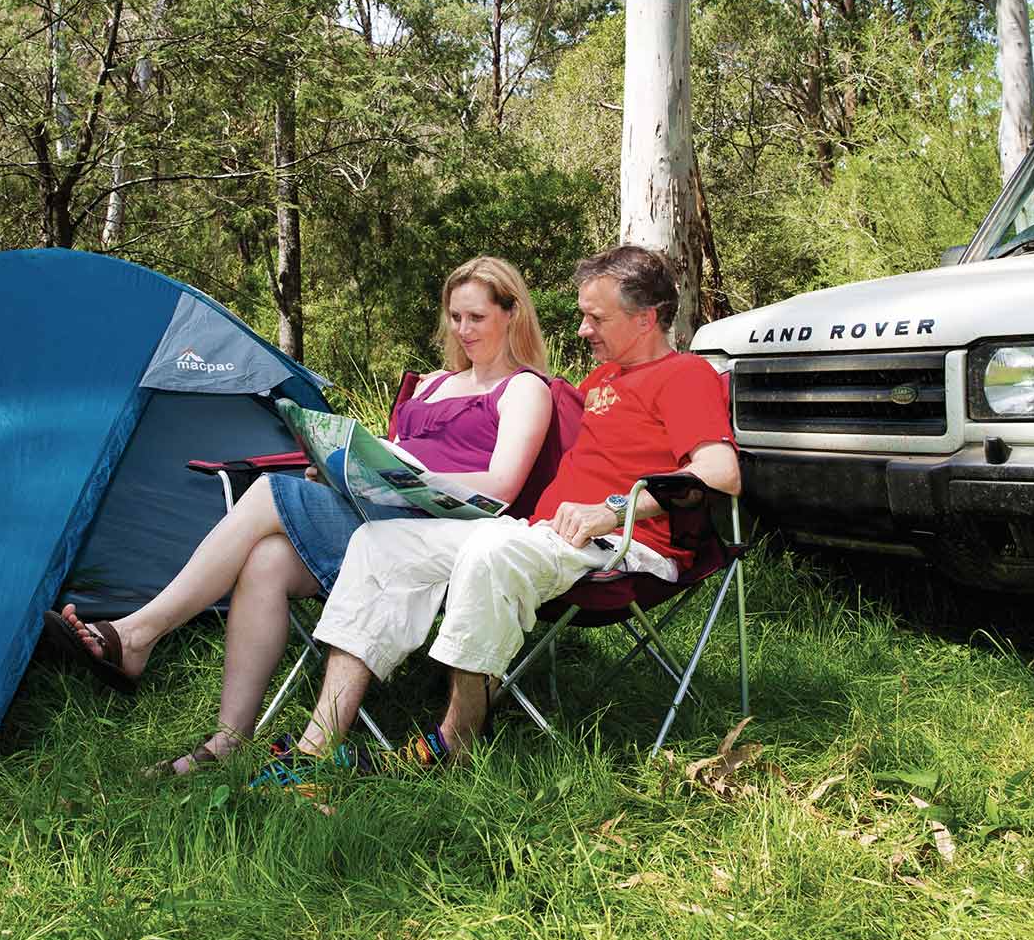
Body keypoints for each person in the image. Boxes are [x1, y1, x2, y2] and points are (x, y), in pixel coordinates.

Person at [46, 256, 554, 774]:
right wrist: (344, 471)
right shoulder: (432, 385)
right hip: (376, 520)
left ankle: (137, 634)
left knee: (268, 492)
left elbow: (503, 485)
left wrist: (417, 474)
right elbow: (389, 462)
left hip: (447, 538)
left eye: (477, 318)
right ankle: (227, 740)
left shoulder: (524, 389)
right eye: (455, 316)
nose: (463, 330)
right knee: (266, 559)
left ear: (511, 314)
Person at [286, 245, 739, 766]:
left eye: (596, 317)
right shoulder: (602, 381)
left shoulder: (684, 376)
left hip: (619, 545)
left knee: (491, 551)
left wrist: (613, 509)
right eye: (582, 316)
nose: (582, 330)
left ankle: (455, 741)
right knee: (380, 542)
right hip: (543, 534)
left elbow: (719, 472)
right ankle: (316, 747)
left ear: (645, 319)